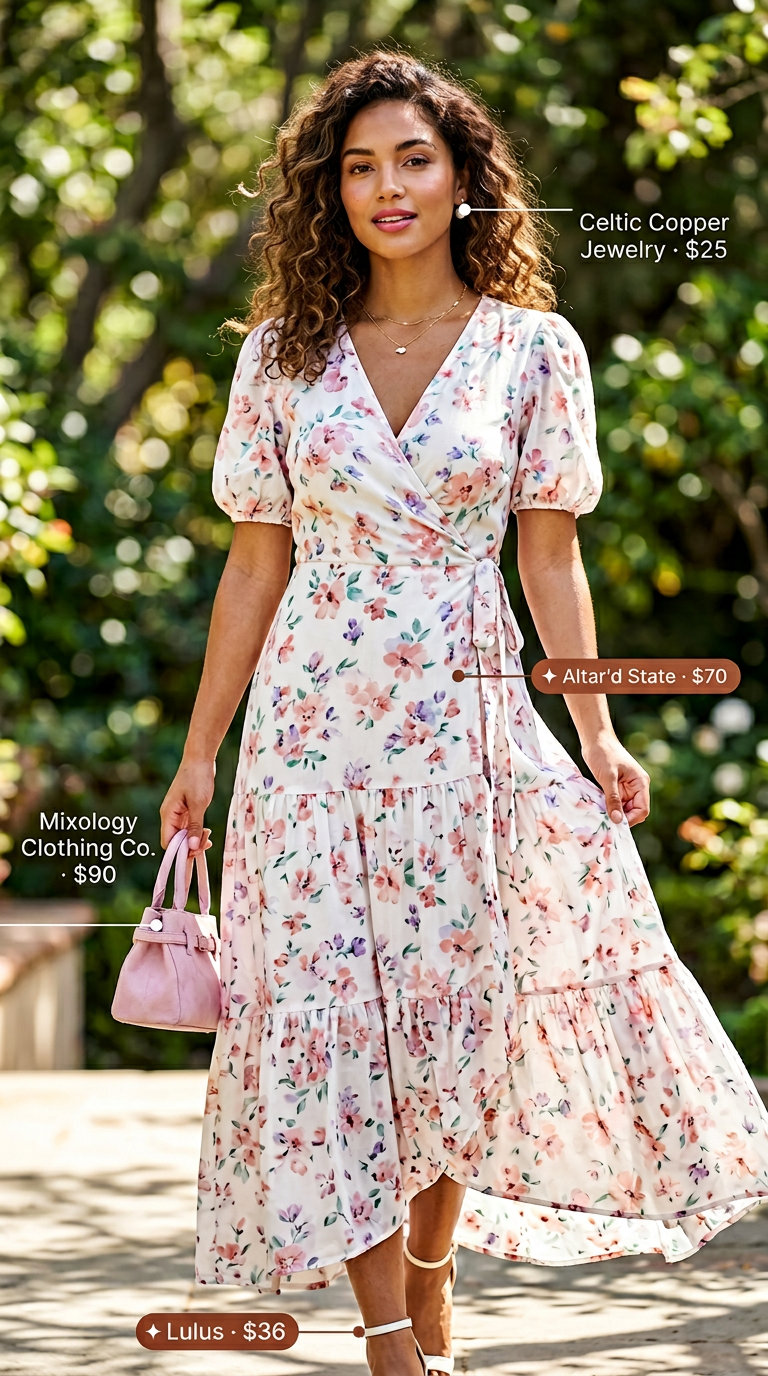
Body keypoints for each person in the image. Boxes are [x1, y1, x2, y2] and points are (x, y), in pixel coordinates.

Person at [159, 47, 768, 1376]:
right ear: (329, 190)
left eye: (413, 160)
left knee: (454, 1007)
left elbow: (550, 554)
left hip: (469, 722)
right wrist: (201, 752)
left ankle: (429, 1278)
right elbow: (255, 561)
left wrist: (599, 728)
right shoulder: (281, 354)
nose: (386, 188)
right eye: (359, 165)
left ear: (463, 179)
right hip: (312, 735)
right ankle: (387, 1336)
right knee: (331, 1011)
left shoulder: (530, 351)